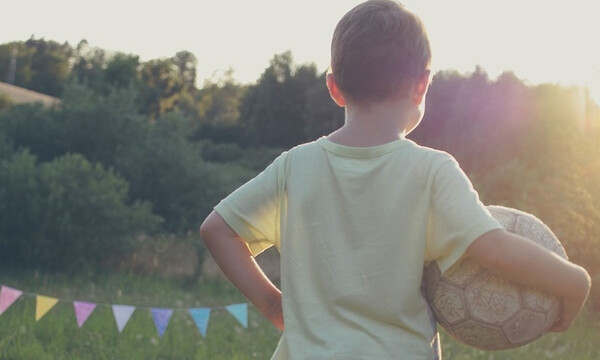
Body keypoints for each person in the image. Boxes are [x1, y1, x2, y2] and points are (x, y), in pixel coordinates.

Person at [200, 1, 591, 359]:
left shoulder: (294, 166)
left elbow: (217, 229)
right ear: (423, 83)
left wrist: (271, 304)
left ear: (334, 87)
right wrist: (575, 282)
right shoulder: (432, 171)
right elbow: (493, 249)